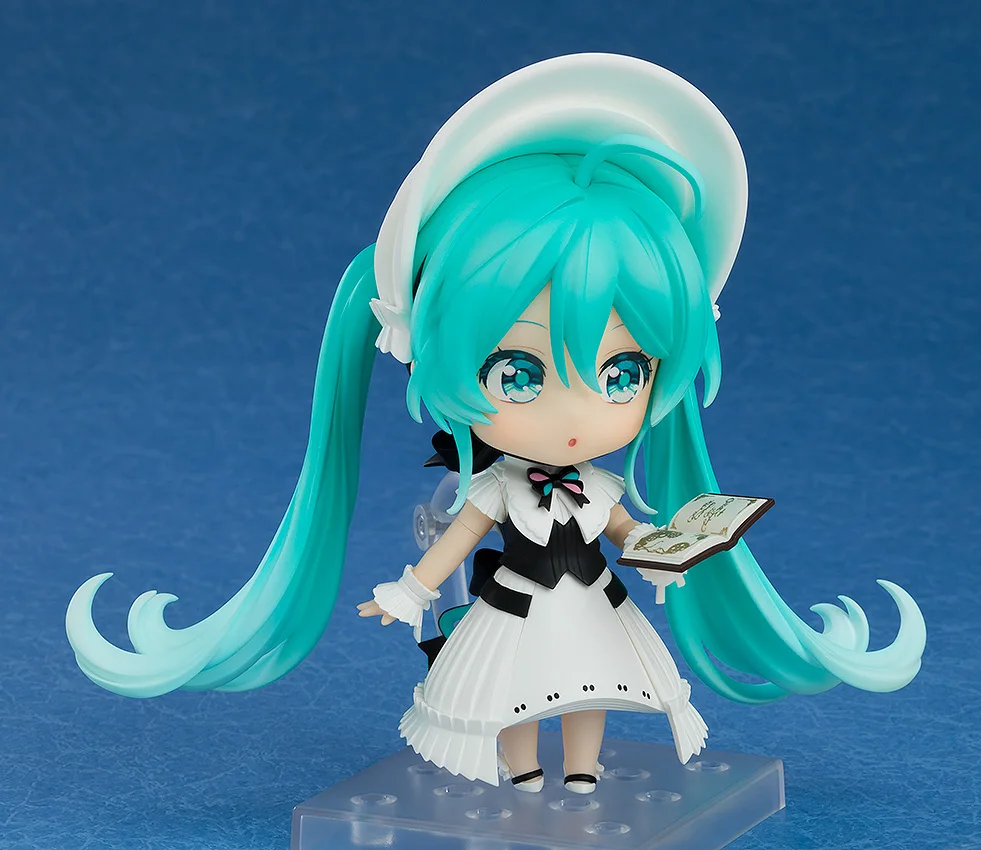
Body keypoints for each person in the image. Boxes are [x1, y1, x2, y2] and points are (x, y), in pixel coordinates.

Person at [66, 54, 926, 796]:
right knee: (510, 694)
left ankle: (580, 774)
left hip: (596, 606)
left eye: (623, 373)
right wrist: (410, 592)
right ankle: (522, 776)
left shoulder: (601, 485)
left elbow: (631, 532)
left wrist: (669, 553)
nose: (579, 413)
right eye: (519, 372)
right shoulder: (497, 487)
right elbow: (455, 542)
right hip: (513, 610)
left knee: (591, 690)